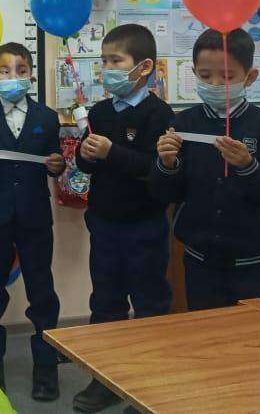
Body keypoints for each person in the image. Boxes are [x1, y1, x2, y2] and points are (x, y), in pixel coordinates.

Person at [150, 29, 260, 311]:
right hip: (200, 261)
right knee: (207, 333)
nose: (215, 84)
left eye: (227, 77)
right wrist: (167, 164)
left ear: (249, 77)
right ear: (194, 73)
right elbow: (163, 194)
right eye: (205, 76)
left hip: (256, 263)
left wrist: (248, 166)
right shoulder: (182, 124)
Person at [72, 25, 174, 413]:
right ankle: (105, 380)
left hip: (145, 226)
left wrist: (111, 152)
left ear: (144, 67)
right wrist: (85, 153)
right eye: (104, 61)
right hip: (104, 224)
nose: (107, 69)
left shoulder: (159, 114)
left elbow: (155, 168)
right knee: (105, 303)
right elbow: (87, 164)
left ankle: (149, 384)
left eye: (116, 61)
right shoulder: (99, 112)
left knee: (150, 304)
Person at [0, 43, 66, 401]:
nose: (13, 76)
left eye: (21, 70)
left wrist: (57, 166)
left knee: (42, 291)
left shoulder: (46, 117)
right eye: (5, 71)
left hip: (34, 215)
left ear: (31, 75)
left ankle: (46, 367)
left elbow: (55, 161)